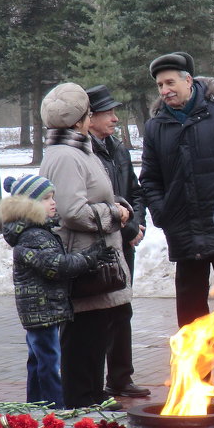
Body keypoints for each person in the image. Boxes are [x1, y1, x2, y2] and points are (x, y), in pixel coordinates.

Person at [139, 52, 214, 396]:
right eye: (160, 85)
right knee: (189, 311)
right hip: (184, 231)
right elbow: (150, 178)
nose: (165, 90)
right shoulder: (156, 125)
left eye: (170, 82)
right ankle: (198, 378)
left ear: (189, 81)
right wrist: (162, 214)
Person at [38, 82, 134, 410]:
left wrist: (117, 203)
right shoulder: (66, 156)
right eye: (89, 113)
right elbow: (71, 211)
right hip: (84, 259)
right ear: (79, 120)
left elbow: (94, 193)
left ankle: (93, 394)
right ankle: (82, 400)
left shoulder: (78, 149)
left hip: (97, 256)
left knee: (97, 332)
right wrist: (114, 214)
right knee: (83, 336)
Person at [0, 174, 111, 408]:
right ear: (28, 205)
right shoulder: (33, 235)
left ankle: (37, 405)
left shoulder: (37, 231)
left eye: (53, 197)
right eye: (46, 198)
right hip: (41, 309)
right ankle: (55, 408)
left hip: (42, 308)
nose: (53, 203)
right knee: (49, 360)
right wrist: (89, 258)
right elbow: (56, 266)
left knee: (38, 360)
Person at [85, 84, 150, 400]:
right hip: (101, 244)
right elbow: (93, 203)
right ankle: (95, 386)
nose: (114, 118)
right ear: (90, 117)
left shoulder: (117, 148)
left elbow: (135, 192)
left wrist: (137, 226)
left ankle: (121, 379)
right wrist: (126, 229)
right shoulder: (84, 152)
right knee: (101, 314)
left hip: (125, 243)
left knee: (122, 309)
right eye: (108, 112)